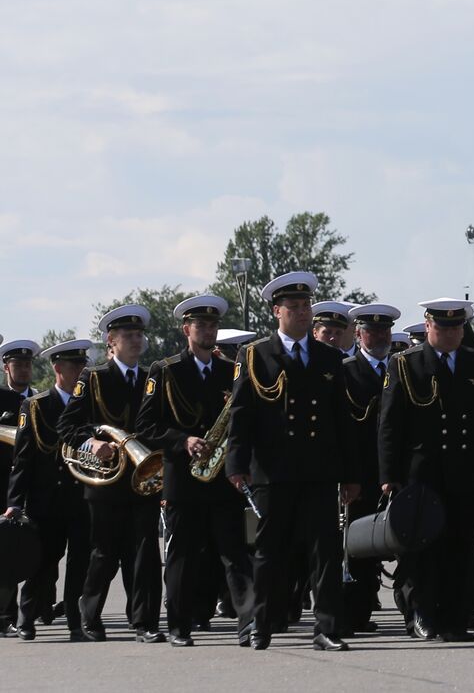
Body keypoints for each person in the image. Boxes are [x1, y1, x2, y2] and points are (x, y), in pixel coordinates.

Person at [225, 271, 359, 652]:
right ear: (276, 311)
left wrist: (350, 475)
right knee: (270, 553)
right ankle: (261, 625)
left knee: (325, 552)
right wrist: (237, 464)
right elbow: (241, 414)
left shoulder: (330, 357)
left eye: (306, 307)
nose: (302, 313)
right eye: (295, 307)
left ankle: (327, 628)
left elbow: (342, 422)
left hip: (319, 470)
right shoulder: (255, 356)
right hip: (274, 470)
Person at [379, 298, 474, 643]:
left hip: (464, 470)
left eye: (457, 327)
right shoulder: (406, 364)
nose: (451, 333)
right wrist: (388, 475)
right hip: (423, 472)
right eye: (444, 327)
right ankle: (423, 614)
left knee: (461, 545)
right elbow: (390, 424)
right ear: (428, 326)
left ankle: (456, 617)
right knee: (424, 550)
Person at [136, 294, 254, 647]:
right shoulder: (165, 369)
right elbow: (146, 427)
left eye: (213, 325)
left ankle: (247, 623)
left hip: (221, 478)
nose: (208, 330)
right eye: (200, 325)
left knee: (234, 553)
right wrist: (182, 440)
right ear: (186, 329)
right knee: (182, 556)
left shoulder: (229, 370)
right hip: (183, 481)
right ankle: (178, 626)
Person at [57, 304, 165, 644]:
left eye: (138, 335)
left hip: (144, 480)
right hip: (105, 484)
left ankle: (144, 621)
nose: (136, 341)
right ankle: (90, 616)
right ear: (111, 342)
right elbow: (66, 424)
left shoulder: (152, 377)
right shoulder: (94, 378)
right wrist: (91, 443)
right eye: (127, 336)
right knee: (104, 553)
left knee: (145, 554)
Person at [4, 339, 91, 642]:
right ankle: (26, 618)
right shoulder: (37, 405)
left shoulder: (91, 402)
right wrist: (15, 503)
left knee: (80, 563)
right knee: (41, 562)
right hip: (47, 500)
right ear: (57, 368)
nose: (80, 370)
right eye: (73, 365)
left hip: (82, 498)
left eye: (82, 364)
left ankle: (75, 621)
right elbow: (23, 460)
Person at [338, 302, 401, 636]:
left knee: (405, 540)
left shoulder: (403, 367)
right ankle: (356, 611)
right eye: (372, 330)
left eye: (384, 330)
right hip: (360, 473)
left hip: (397, 472)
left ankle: (412, 607)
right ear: (359, 334)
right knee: (359, 546)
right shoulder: (346, 371)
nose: (379, 336)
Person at [0, 338, 38, 635]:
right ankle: (6, 614)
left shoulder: (39, 399)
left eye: (27, 364)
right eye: (18, 365)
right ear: (6, 368)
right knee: (6, 549)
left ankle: (27, 609)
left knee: (27, 550)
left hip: (31, 485)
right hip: (2, 483)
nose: (23, 369)